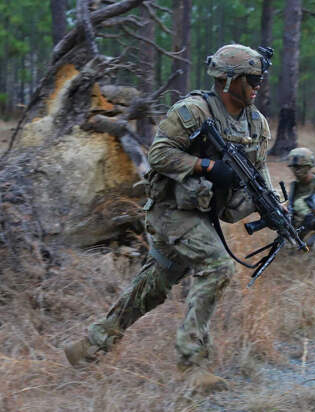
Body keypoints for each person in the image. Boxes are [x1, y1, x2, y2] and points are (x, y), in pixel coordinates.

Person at [64, 44, 275, 393]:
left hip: (203, 214)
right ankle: (192, 365)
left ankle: (91, 344)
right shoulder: (192, 111)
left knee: (152, 288)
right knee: (218, 267)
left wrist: (272, 204)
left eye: (260, 78)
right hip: (171, 212)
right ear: (228, 80)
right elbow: (160, 154)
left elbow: (260, 167)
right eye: (252, 79)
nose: (258, 85)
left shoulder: (256, 122)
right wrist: (206, 165)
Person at [286, 147, 315, 228]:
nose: (297, 171)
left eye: (300, 167)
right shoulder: (296, 186)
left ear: (309, 166)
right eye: (294, 167)